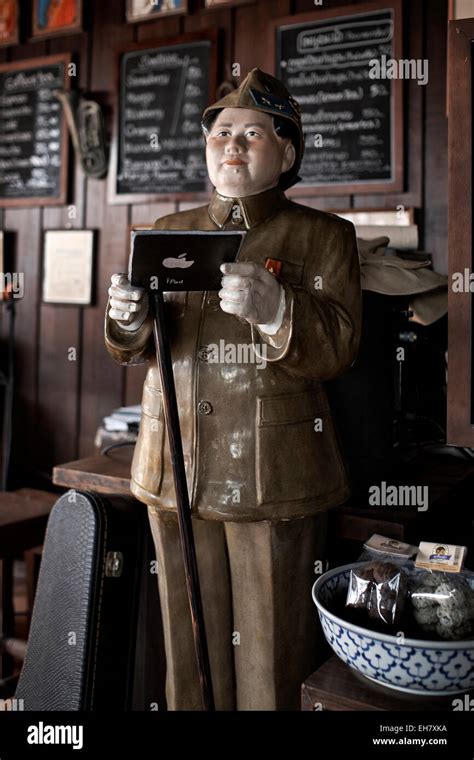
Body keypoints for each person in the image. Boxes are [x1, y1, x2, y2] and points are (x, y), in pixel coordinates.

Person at [105, 68, 362, 710]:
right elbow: (137, 343)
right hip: (175, 464)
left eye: (253, 133)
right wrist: (128, 321)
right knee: (187, 653)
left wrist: (279, 311)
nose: (233, 145)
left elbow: (338, 350)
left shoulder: (324, 236)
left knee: (269, 663)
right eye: (222, 132)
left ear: (288, 153)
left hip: (274, 473)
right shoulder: (167, 225)